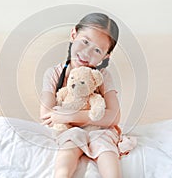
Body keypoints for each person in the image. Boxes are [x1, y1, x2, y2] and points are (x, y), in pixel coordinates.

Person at [40, 12, 121, 178]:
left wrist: (70, 115)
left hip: (99, 130)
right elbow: (47, 115)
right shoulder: (54, 73)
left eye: (97, 50)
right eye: (85, 42)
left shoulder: (102, 76)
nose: (86, 53)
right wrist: (87, 117)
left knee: (105, 145)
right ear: (73, 35)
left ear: (106, 56)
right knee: (71, 142)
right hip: (69, 130)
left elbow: (114, 116)